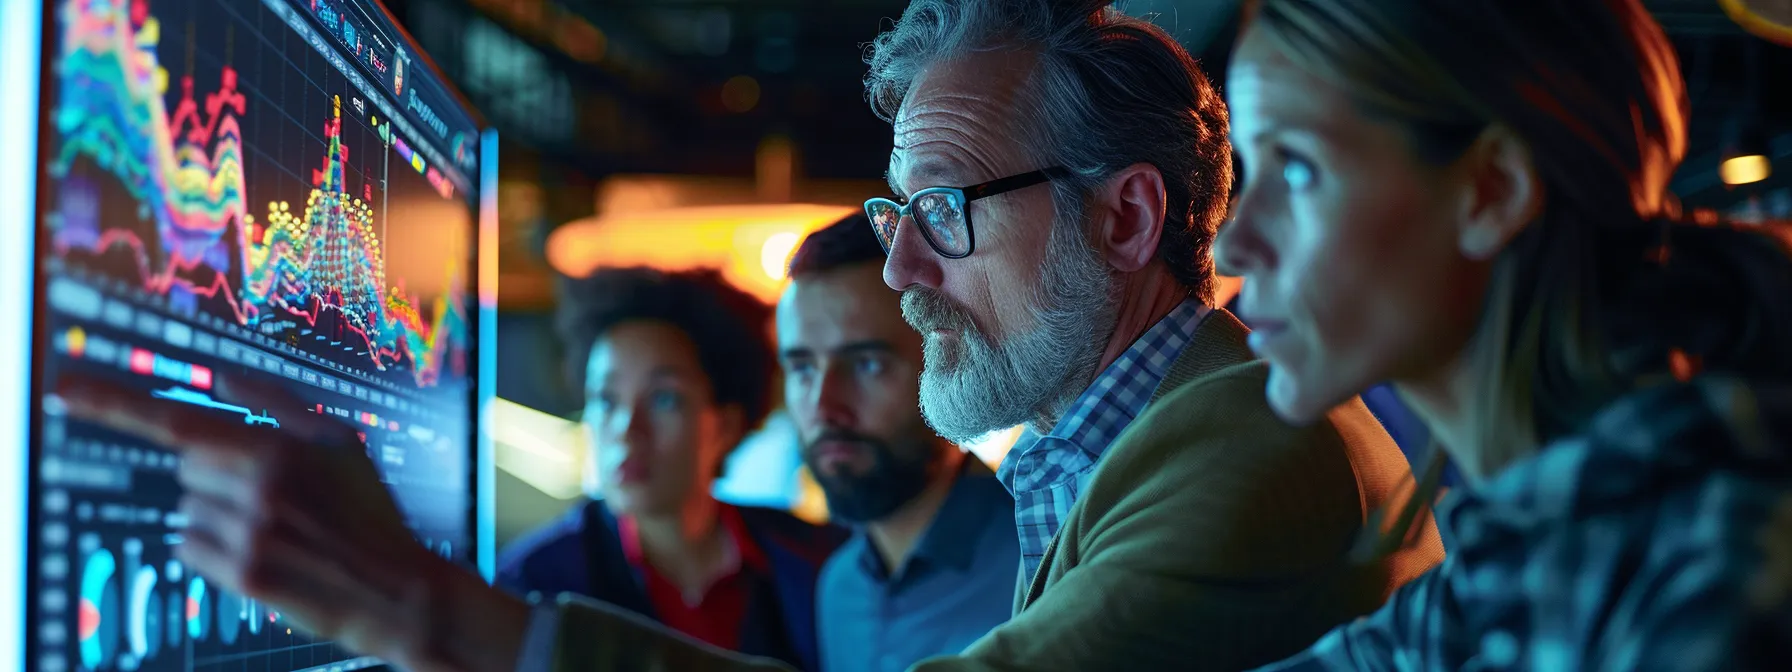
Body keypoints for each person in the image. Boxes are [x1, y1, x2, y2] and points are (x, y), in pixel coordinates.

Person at [54, 2, 1445, 671]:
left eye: (946, 211)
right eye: (894, 211)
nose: (899, 269)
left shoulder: (1248, 451)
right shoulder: (1154, 433)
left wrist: (424, 609)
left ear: (1129, 218)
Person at [1208, 0, 1792, 668]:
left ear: (1493, 189)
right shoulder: (1501, 566)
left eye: (1296, 170)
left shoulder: (1713, 580)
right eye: (1251, 173)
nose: (1233, 247)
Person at [493, 267, 846, 670]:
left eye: (664, 400)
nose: (628, 430)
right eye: (606, 400)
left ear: (726, 426)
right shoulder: (535, 582)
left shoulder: (816, 562)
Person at [779, 214, 1018, 672]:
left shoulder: (1043, 558)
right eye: (803, 368)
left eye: (867, 364)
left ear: (947, 365)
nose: (825, 407)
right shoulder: (839, 588)